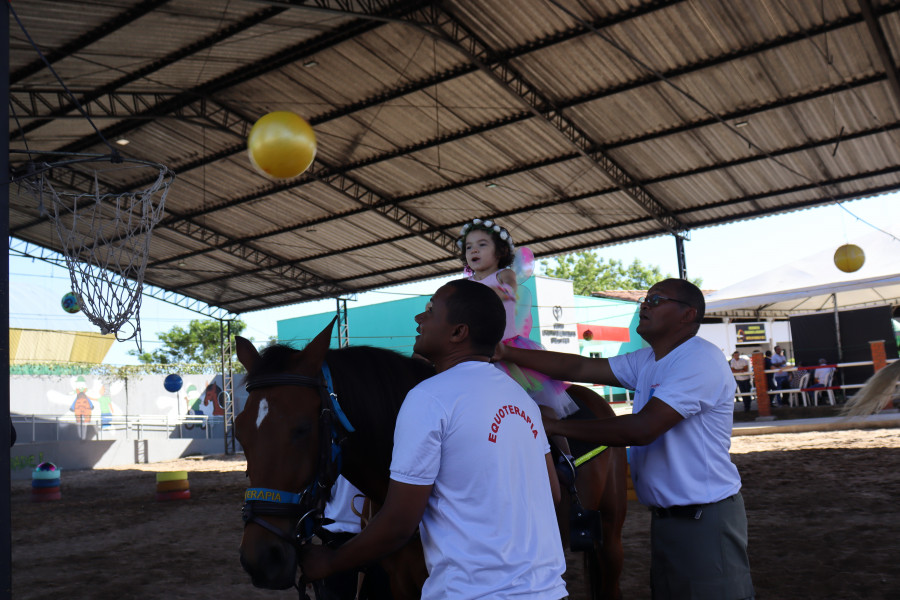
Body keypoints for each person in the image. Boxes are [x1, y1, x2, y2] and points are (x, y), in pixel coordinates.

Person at [299, 279, 568, 600]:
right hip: (549, 591)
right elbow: (552, 492)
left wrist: (330, 562)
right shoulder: (520, 399)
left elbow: (399, 522)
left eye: (430, 311)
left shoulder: (429, 397)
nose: (419, 319)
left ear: (458, 333)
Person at [496, 278, 755, 600]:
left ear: (688, 315)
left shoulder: (697, 360)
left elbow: (641, 429)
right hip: (670, 519)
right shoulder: (649, 360)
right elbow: (578, 366)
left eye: (657, 300)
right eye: (645, 298)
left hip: (703, 518)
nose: (644, 305)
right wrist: (507, 351)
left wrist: (557, 427)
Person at [457, 217, 579, 481]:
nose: (474, 251)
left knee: (541, 404)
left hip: (509, 350)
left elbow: (506, 292)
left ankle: (566, 457)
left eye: (481, 244)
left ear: (500, 252)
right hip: (478, 354)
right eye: (469, 247)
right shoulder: (464, 286)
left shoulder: (503, 275)